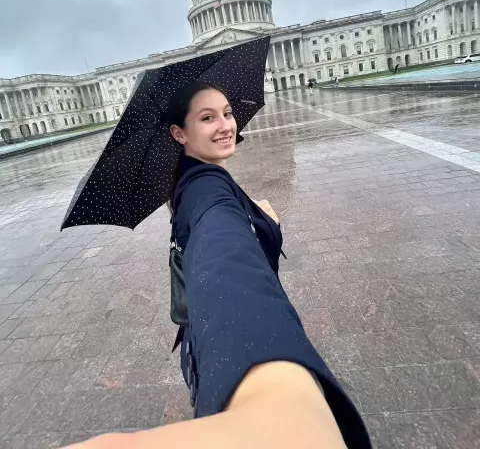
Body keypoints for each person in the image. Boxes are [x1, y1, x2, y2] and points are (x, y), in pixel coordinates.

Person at [65, 82, 371, 449]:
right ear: (179, 133)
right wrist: (276, 399)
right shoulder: (209, 194)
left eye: (227, 113)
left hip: (200, 344)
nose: (226, 125)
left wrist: (256, 219)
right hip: (218, 338)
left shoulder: (191, 182)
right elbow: (225, 261)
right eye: (207, 117)